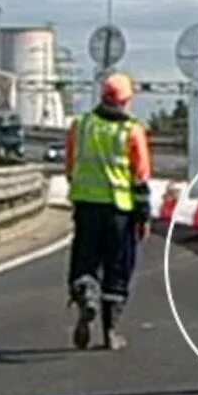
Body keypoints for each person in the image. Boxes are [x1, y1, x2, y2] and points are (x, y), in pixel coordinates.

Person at [65, 72, 153, 350]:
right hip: (119, 211)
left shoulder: (82, 125)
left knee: (85, 259)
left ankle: (86, 291)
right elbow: (140, 177)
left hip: (86, 206)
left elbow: (70, 166)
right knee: (118, 268)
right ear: (127, 101)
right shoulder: (132, 131)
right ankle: (111, 331)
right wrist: (143, 215)